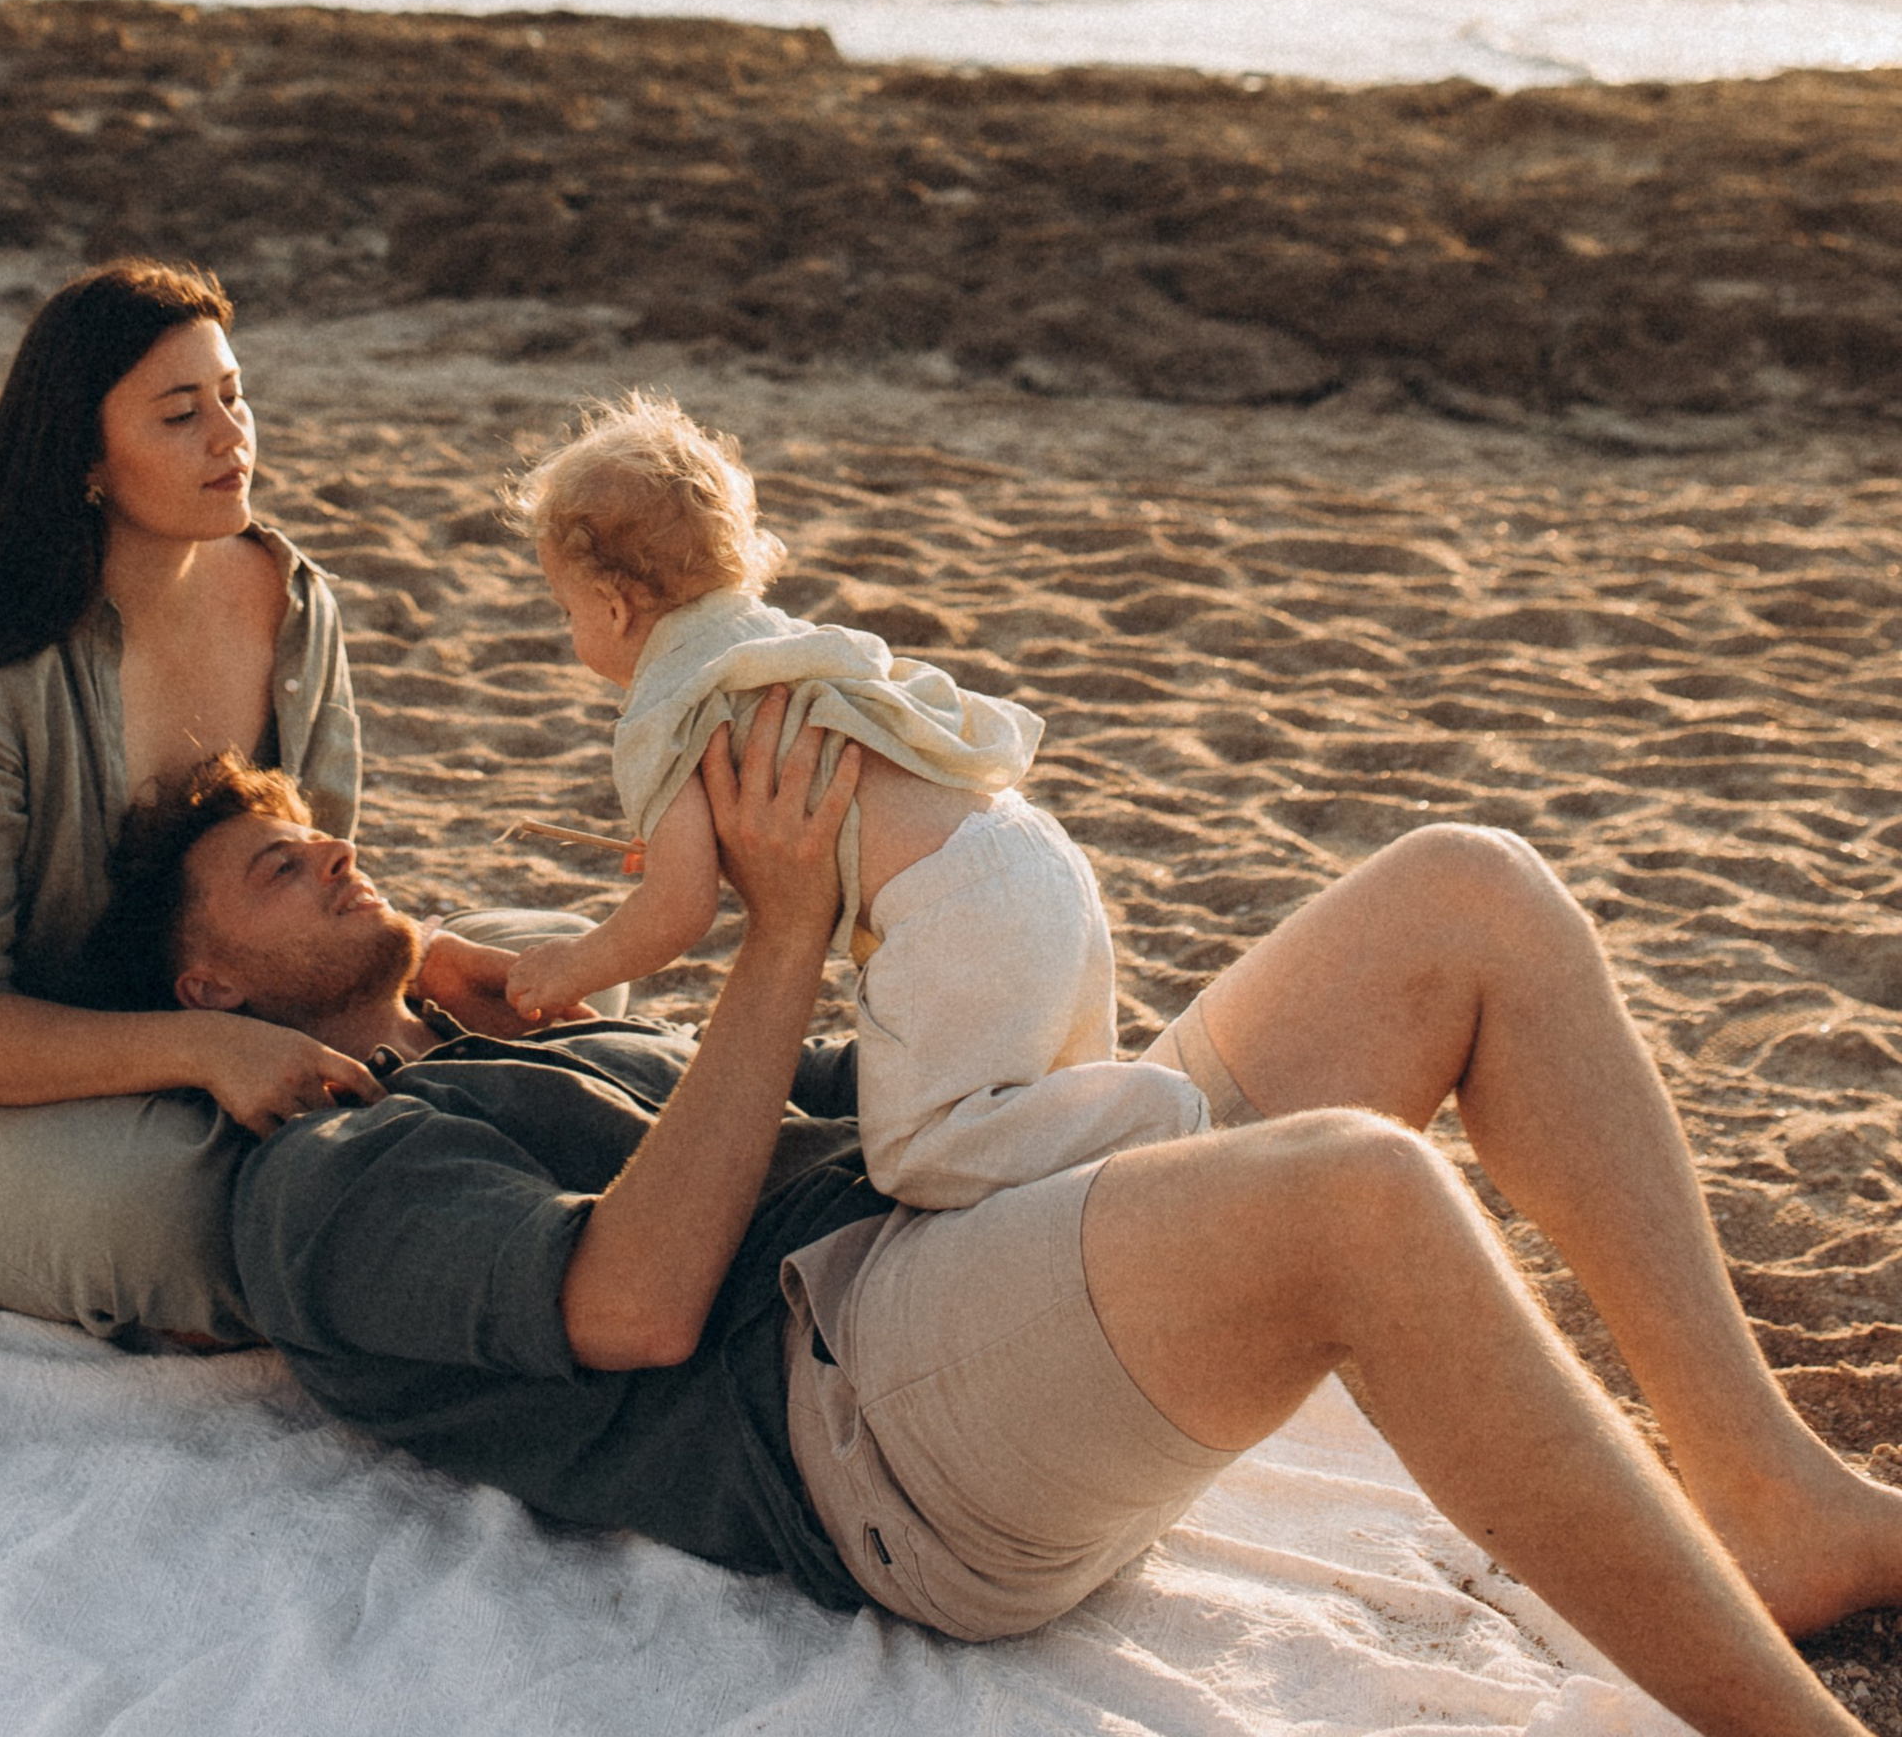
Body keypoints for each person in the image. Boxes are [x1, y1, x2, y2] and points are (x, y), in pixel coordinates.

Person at [107, 714, 1902, 1737]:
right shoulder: (322, 1187)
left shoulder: (522, 1026)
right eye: (280, 868)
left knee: (1465, 894)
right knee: (1360, 1195)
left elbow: (858, 1089)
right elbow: (637, 1303)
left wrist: (920, 869)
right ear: (206, 980)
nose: (338, 853)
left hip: (953, 1244)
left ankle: (1772, 1500)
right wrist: (786, 930)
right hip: (865, 1424)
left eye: (319, 830)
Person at [0, 257, 546, 1346]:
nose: (232, 437)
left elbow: (301, 859)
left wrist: (418, 962)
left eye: (233, 396)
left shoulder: (287, 600)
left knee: (547, 964)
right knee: (178, 1210)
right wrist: (205, 1051)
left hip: (205, 1002)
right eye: (181, 414)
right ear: (85, 457)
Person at [498, 394, 1186, 1207]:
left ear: (612, 605)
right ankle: (1173, 1160)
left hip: (951, 907)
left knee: (920, 1155)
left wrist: (566, 967)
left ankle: (1171, 1106)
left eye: (565, 607)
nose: (572, 627)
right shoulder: (773, 642)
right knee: (1052, 1131)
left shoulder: (667, 703)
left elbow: (676, 909)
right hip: (1037, 857)